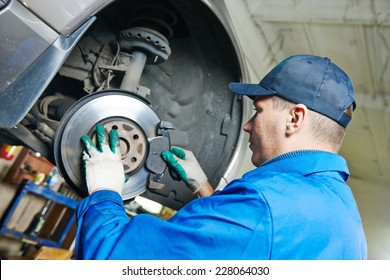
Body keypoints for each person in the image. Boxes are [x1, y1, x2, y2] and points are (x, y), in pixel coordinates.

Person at [75, 54, 367, 260]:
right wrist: (203, 188)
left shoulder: (264, 207)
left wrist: (105, 190)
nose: (247, 125)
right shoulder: (344, 216)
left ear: (295, 118)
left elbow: (116, 259)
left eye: (259, 110)